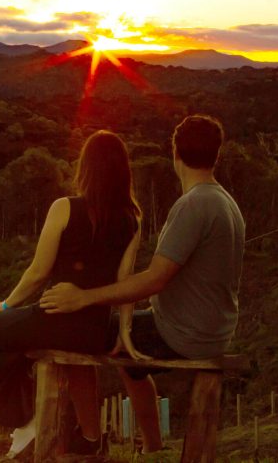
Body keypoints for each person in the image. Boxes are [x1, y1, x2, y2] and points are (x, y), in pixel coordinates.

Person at [41, 114, 245, 454]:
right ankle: (152, 448)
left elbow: (154, 279)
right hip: (214, 330)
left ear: (175, 154)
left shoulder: (193, 205)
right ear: (216, 155)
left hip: (184, 334)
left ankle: (87, 440)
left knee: (81, 331)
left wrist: (84, 298)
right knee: (129, 358)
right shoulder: (225, 202)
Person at [0, 130, 141, 458]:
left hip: (57, 317)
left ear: (86, 168)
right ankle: (88, 440)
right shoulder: (132, 220)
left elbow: (38, 273)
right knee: (56, 357)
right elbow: (126, 283)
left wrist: (3, 305)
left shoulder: (64, 208)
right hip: (93, 330)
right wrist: (124, 330)